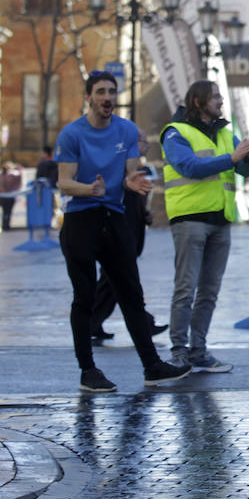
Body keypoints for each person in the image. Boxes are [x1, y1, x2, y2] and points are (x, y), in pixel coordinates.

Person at [55, 71, 191, 392]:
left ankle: (152, 366)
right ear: (89, 97)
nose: (107, 98)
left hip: (114, 218)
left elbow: (131, 171)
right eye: (100, 92)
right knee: (84, 297)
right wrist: (90, 189)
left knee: (131, 293)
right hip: (81, 220)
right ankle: (88, 371)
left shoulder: (126, 130)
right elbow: (64, 182)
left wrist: (131, 181)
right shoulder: (72, 134)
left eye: (112, 92)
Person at [161, 80, 249, 373]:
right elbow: (189, 167)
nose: (221, 101)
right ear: (197, 102)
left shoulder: (225, 132)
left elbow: (243, 169)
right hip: (190, 219)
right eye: (215, 97)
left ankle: (198, 351)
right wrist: (233, 157)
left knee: (209, 291)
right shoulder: (176, 132)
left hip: (220, 219)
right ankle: (178, 352)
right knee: (186, 289)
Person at [91, 128, 167, 342]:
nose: (147, 144)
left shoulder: (133, 168)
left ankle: (92, 323)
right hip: (117, 237)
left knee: (112, 284)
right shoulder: (119, 168)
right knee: (123, 283)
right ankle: (144, 324)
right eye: (143, 140)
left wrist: (145, 215)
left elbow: (134, 201)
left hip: (128, 236)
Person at [0, 160, 23, 231]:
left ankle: (4, 226)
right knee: (7, 212)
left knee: (6, 212)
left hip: (2, 196)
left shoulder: (2, 175)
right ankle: (6, 226)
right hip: (10, 196)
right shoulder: (14, 174)